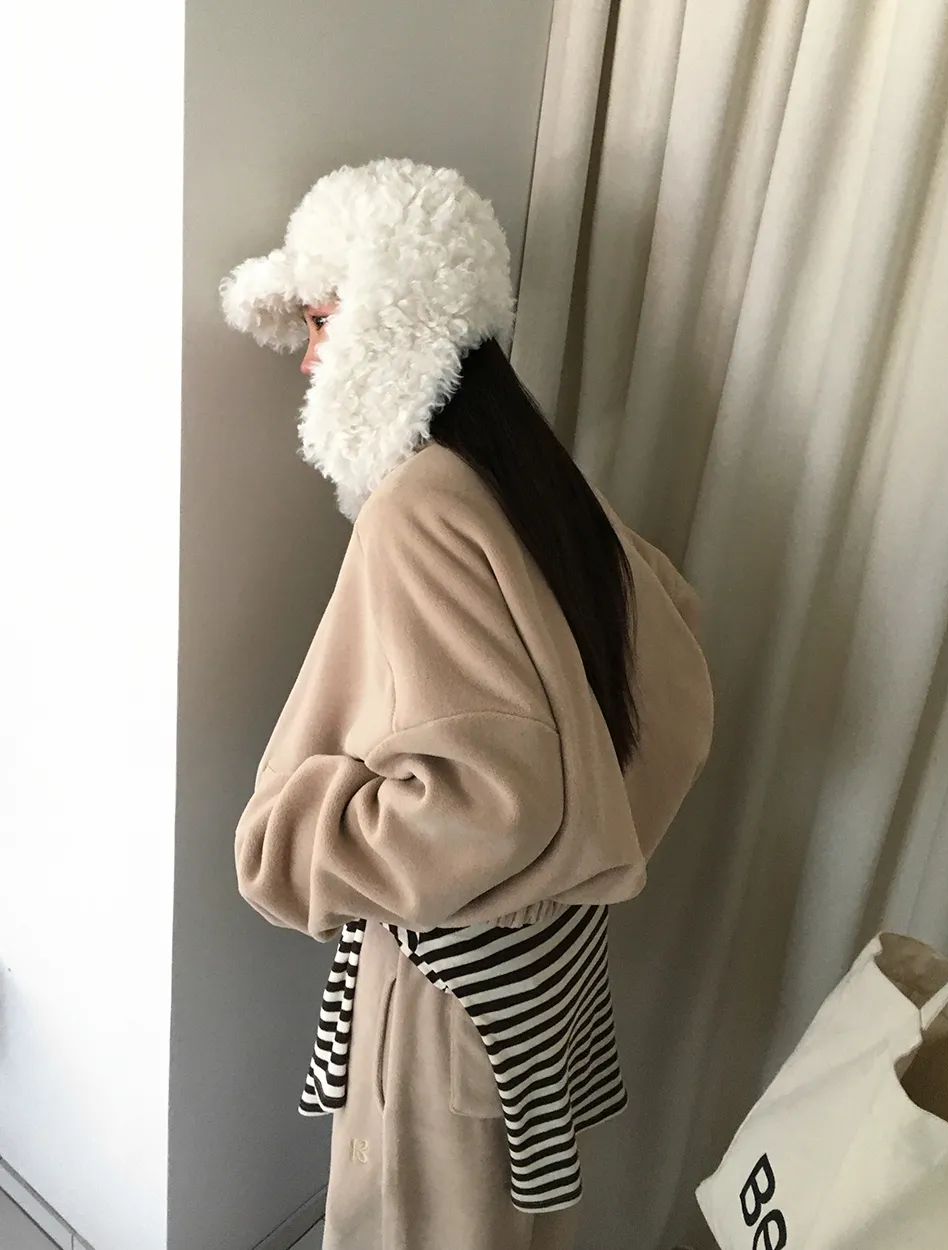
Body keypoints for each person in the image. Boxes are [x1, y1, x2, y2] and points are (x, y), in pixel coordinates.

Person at [221, 157, 714, 1250]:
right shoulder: (527, 473)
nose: (308, 358)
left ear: (385, 321)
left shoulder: (414, 509)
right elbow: (670, 660)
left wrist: (299, 838)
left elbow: (485, 796)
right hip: (539, 977)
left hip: (445, 999)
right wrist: (573, 865)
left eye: (321, 322)